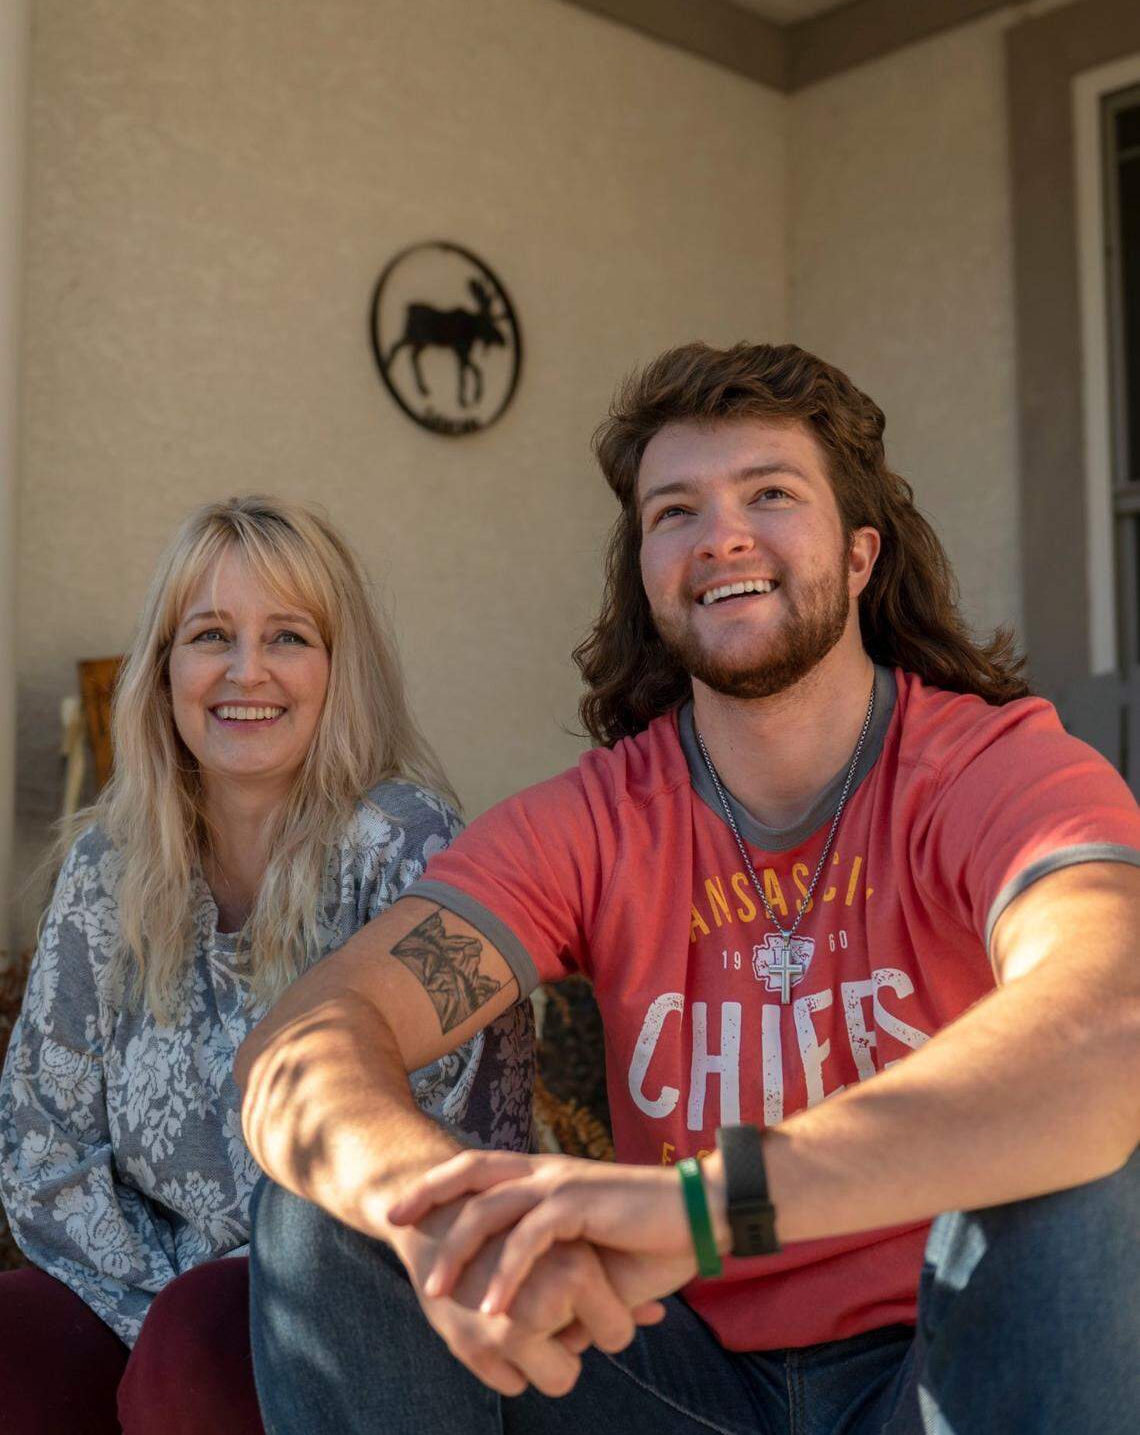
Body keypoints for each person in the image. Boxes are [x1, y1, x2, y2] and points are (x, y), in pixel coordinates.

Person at [239, 345, 1140, 1435]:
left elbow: (1111, 1025)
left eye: (769, 493)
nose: (720, 535)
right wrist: (431, 1209)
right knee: (321, 1212)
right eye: (675, 511)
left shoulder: (994, 774)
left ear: (861, 554)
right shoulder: (599, 819)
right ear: (648, 572)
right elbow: (306, 1041)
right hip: (679, 1385)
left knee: (1092, 1160)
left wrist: (711, 1214)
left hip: (946, 1369)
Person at [0, 496, 534, 1435]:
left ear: (339, 669)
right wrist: (158, 1299)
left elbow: (440, 1147)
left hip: (371, 1300)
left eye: (288, 635)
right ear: (164, 669)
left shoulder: (407, 849)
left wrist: (193, 1315)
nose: (247, 670)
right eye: (211, 634)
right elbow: (43, 1149)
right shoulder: (106, 866)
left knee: (194, 1357)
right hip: (141, 1293)